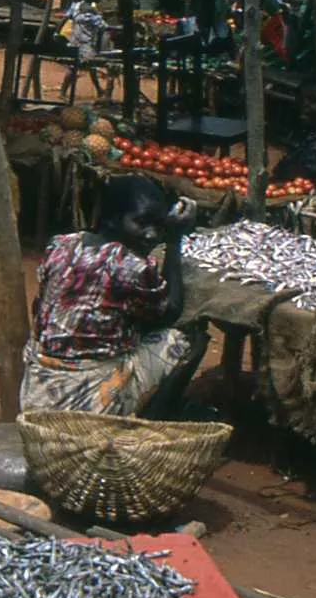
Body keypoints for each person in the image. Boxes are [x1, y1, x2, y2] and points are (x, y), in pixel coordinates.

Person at [20, 175, 208, 419]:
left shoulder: (61, 244)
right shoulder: (130, 266)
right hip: (84, 403)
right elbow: (170, 311)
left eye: (158, 226)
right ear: (112, 219)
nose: (151, 235)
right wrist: (174, 239)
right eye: (141, 223)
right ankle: (149, 422)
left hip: (38, 391)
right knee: (189, 339)